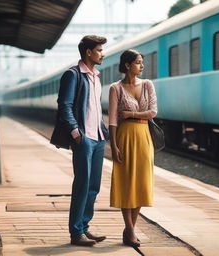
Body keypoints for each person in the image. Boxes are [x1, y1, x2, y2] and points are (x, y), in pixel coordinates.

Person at [57, 35, 109, 246]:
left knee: (94, 186)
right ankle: (75, 233)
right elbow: (64, 105)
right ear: (88, 52)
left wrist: (103, 132)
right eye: (99, 50)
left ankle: (84, 227)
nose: (102, 53)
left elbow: (96, 108)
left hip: (98, 138)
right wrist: (75, 132)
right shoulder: (73, 75)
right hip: (84, 138)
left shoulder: (96, 76)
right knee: (82, 184)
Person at [108, 49, 157, 247]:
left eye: (142, 62)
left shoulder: (148, 84)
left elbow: (153, 112)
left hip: (144, 136)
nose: (141, 65)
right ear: (127, 65)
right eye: (138, 62)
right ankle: (130, 231)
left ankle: (129, 230)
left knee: (141, 183)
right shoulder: (115, 88)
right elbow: (112, 120)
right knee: (125, 183)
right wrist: (113, 146)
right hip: (124, 137)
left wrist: (130, 115)